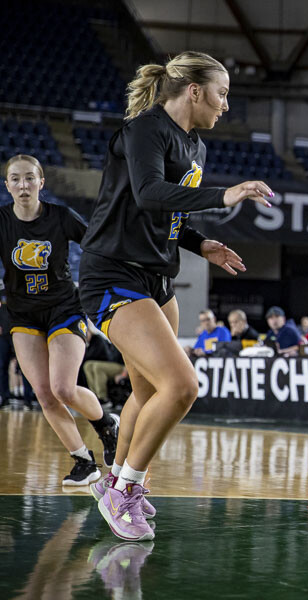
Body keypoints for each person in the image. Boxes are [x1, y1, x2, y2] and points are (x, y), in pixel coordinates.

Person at [79, 51, 272, 541]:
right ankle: (128, 488)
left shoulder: (196, 147)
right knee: (183, 387)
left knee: (147, 395)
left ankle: (112, 483)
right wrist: (224, 195)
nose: (226, 105)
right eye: (222, 93)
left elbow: (168, 217)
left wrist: (200, 243)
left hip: (157, 279)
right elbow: (148, 193)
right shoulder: (144, 130)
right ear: (193, 91)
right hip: (113, 274)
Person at [1, 154, 120, 485]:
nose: (23, 184)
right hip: (22, 312)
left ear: (41, 182)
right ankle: (84, 461)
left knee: (63, 387)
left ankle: (105, 424)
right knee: (43, 392)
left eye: (29, 178)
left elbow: (98, 248)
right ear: (7, 185)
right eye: (15, 179)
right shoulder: (1, 221)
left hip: (64, 307)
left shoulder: (62, 216)